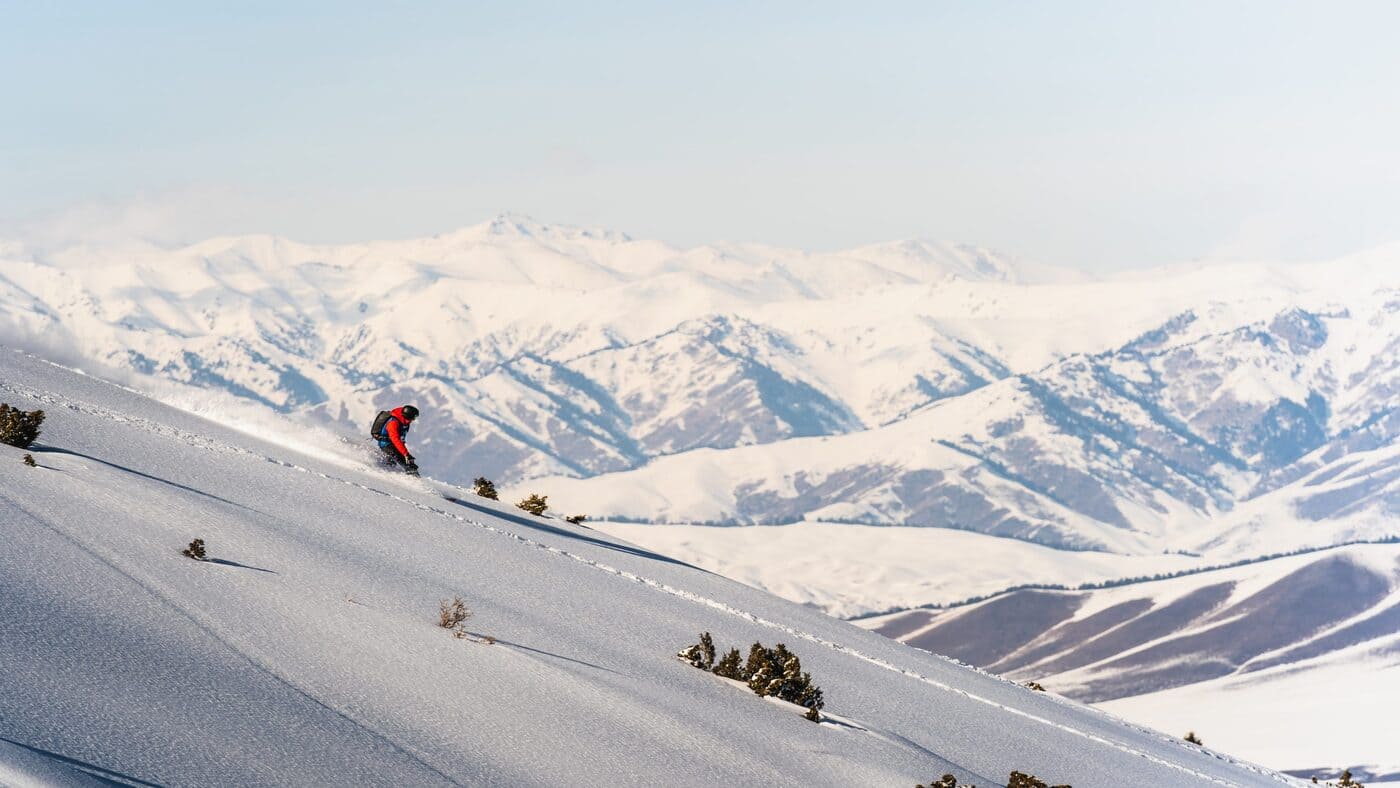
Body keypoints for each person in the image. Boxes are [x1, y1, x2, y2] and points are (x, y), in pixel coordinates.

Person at [372, 405, 420, 475]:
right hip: (386, 444)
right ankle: (415, 480)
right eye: (414, 417)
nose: (414, 419)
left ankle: (388, 473)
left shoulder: (405, 423)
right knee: (408, 465)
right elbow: (396, 439)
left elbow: (401, 439)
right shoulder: (393, 423)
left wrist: (406, 454)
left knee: (395, 463)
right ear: (408, 416)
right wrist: (406, 454)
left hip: (393, 444)